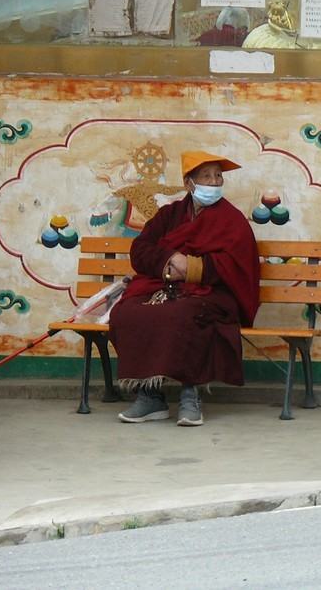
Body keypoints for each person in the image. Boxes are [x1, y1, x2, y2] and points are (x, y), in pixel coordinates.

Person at [109, 151, 260, 427]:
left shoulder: (231, 219)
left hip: (213, 292)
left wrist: (192, 267)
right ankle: (149, 395)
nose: (214, 183)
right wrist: (169, 261)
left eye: (218, 176)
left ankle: (190, 395)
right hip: (165, 285)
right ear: (190, 184)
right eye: (206, 176)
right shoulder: (171, 214)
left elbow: (238, 263)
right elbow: (141, 249)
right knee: (128, 312)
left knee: (186, 314)